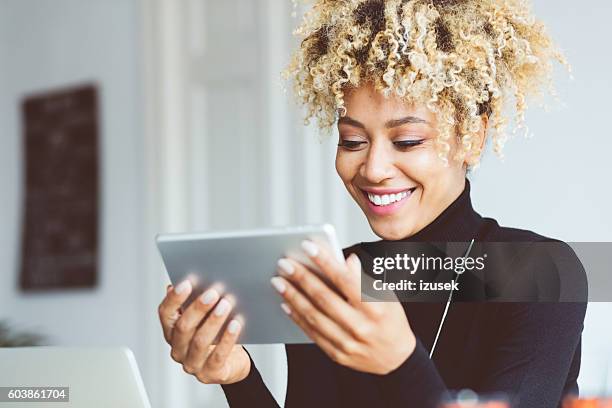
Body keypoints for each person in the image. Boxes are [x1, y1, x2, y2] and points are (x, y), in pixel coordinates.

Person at [157, 1, 587, 407]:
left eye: (407, 141)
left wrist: (399, 363)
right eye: (353, 141)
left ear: (471, 137)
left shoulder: (540, 272)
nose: (374, 168)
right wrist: (239, 378)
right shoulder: (336, 280)